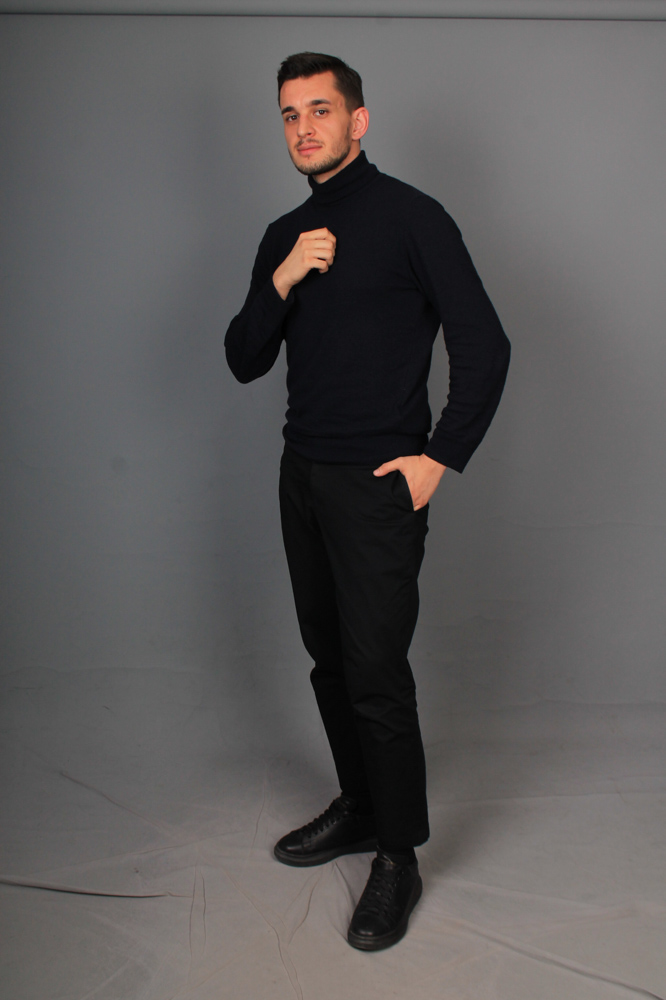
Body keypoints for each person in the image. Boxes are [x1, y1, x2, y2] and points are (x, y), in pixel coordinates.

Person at [225, 52, 510, 951]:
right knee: (328, 660)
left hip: (379, 486)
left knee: (376, 671)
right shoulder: (285, 235)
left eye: (321, 110)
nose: (304, 128)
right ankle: (359, 805)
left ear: (359, 120)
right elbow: (243, 358)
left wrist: (438, 460)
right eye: (289, 114)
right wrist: (282, 280)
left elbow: (486, 345)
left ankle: (398, 854)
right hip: (301, 477)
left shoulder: (413, 217)